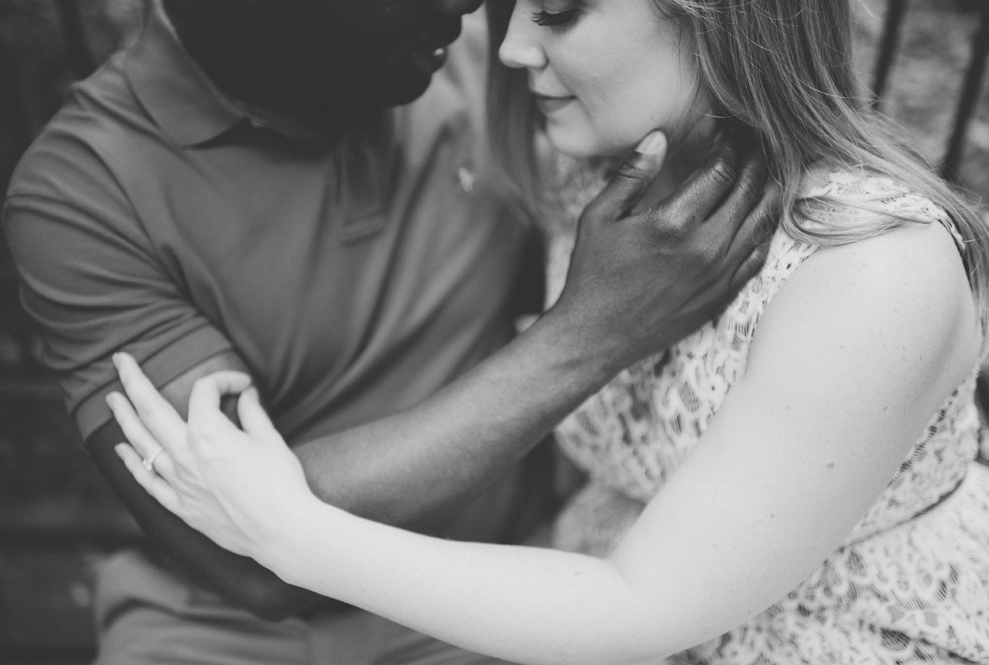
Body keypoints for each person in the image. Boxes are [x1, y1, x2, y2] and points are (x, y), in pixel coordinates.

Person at [107, 0, 989, 663]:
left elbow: (642, 602)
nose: (513, 45)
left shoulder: (875, 273)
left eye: (559, 9)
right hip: (582, 589)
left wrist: (293, 530)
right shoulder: (604, 179)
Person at [2, 0, 775, 663]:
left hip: (482, 595)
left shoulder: (486, 65)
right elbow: (242, 552)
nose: (474, 6)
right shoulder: (86, 189)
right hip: (216, 634)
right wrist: (591, 334)